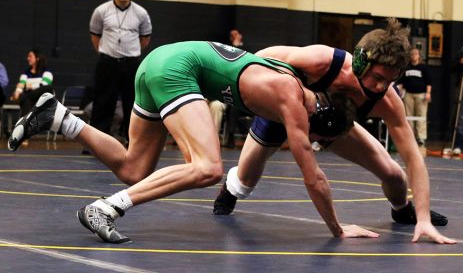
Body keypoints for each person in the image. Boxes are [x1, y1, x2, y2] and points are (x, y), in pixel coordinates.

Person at [9, 41, 375, 244]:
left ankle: (59, 118)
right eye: (319, 141)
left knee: (133, 168)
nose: (313, 144)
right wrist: (338, 228)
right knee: (209, 168)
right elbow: (314, 179)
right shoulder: (296, 104)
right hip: (178, 70)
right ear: (320, 124)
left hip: (159, 63)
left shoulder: (289, 81)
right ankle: (105, 208)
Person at [213, 18, 456, 245]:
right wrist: (274, 97)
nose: (381, 87)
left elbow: (413, 157)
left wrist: (423, 217)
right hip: (281, 117)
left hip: (333, 127)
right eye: (378, 77)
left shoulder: (388, 101)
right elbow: (257, 59)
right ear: (361, 61)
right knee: (245, 182)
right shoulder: (323, 61)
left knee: (394, 175)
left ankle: (402, 210)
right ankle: (231, 187)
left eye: (389, 81)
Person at [89, 0, 152, 143]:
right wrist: (107, 53)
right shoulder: (101, 11)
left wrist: (130, 53)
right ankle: (96, 142)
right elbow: (95, 36)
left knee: (132, 103)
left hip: (131, 64)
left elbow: (145, 39)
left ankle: (133, 142)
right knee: (103, 102)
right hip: (108, 63)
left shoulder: (141, 13)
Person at [396, 47, 432, 147]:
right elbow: (401, 81)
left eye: (415, 54)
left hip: (421, 94)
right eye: (412, 54)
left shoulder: (423, 67)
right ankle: (410, 136)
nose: (414, 56)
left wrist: (428, 93)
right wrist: (400, 91)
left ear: (419, 55)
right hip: (408, 94)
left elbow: (429, 82)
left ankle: (421, 138)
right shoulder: (407, 67)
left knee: (421, 116)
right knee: (408, 116)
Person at [10, 49, 53, 116]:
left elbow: (45, 84)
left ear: (37, 58)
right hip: (30, 100)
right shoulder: (25, 73)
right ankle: (27, 124)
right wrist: (17, 93)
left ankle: (24, 122)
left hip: (43, 99)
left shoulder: (47, 71)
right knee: (25, 98)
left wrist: (28, 86)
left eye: (30, 56)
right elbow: (21, 86)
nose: (28, 58)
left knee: (48, 88)